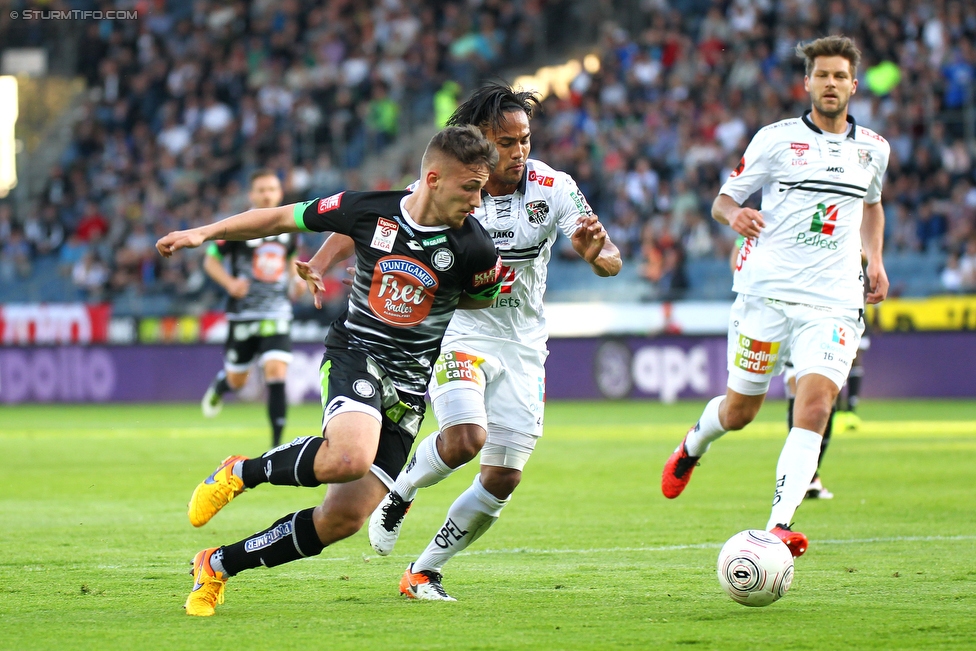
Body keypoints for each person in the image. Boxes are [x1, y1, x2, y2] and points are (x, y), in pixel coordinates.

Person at [155, 126, 503, 616]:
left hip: (409, 387)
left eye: (483, 188)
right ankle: (241, 472)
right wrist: (204, 233)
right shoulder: (370, 209)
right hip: (357, 351)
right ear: (433, 178)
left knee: (343, 519)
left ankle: (216, 566)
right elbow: (280, 217)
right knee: (348, 458)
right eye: (471, 187)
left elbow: (482, 297)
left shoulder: (475, 249)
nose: (479, 199)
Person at [305, 82, 621, 600]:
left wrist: (596, 255)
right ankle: (399, 489)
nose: (519, 152)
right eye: (507, 142)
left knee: (503, 479)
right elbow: (374, 218)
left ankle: (423, 568)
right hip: (458, 330)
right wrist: (319, 263)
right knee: (465, 438)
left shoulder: (554, 187)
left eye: (525, 140)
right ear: (481, 140)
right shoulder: (451, 183)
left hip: (523, 343)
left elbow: (612, 257)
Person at [661, 35, 890, 557]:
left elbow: (872, 206)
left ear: (853, 85)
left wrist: (874, 259)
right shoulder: (776, 140)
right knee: (741, 411)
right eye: (822, 75)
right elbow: (724, 200)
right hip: (766, 296)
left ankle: (778, 525)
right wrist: (735, 215)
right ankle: (692, 445)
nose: (830, 83)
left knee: (815, 405)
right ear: (807, 82)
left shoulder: (873, 149)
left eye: (840, 76)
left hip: (834, 301)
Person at [199, 169, 304, 447]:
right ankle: (222, 385)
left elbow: (291, 259)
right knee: (237, 379)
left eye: (272, 189)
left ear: (280, 193)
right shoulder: (237, 226)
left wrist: (298, 279)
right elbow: (210, 260)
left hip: (277, 311)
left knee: (276, 372)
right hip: (243, 313)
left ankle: (276, 445)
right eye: (261, 190)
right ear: (252, 195)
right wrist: (230, 283)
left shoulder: (289, 229)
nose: (267, 194)